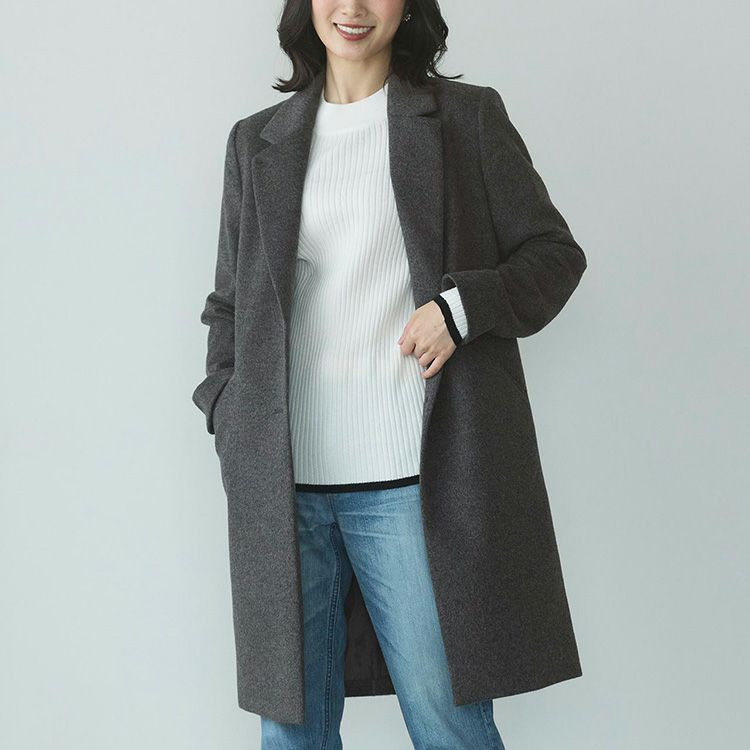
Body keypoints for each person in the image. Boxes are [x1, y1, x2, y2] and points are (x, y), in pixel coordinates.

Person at [194, 1, 587, 747]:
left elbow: (553, 255)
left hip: (415, 482)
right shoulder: (257, 142)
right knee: (290, 736)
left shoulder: (464, 120)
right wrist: (228, 408)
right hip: (283, 490)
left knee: (448, 725)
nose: (352, 8)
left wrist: (461, 309)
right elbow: (230, 304)